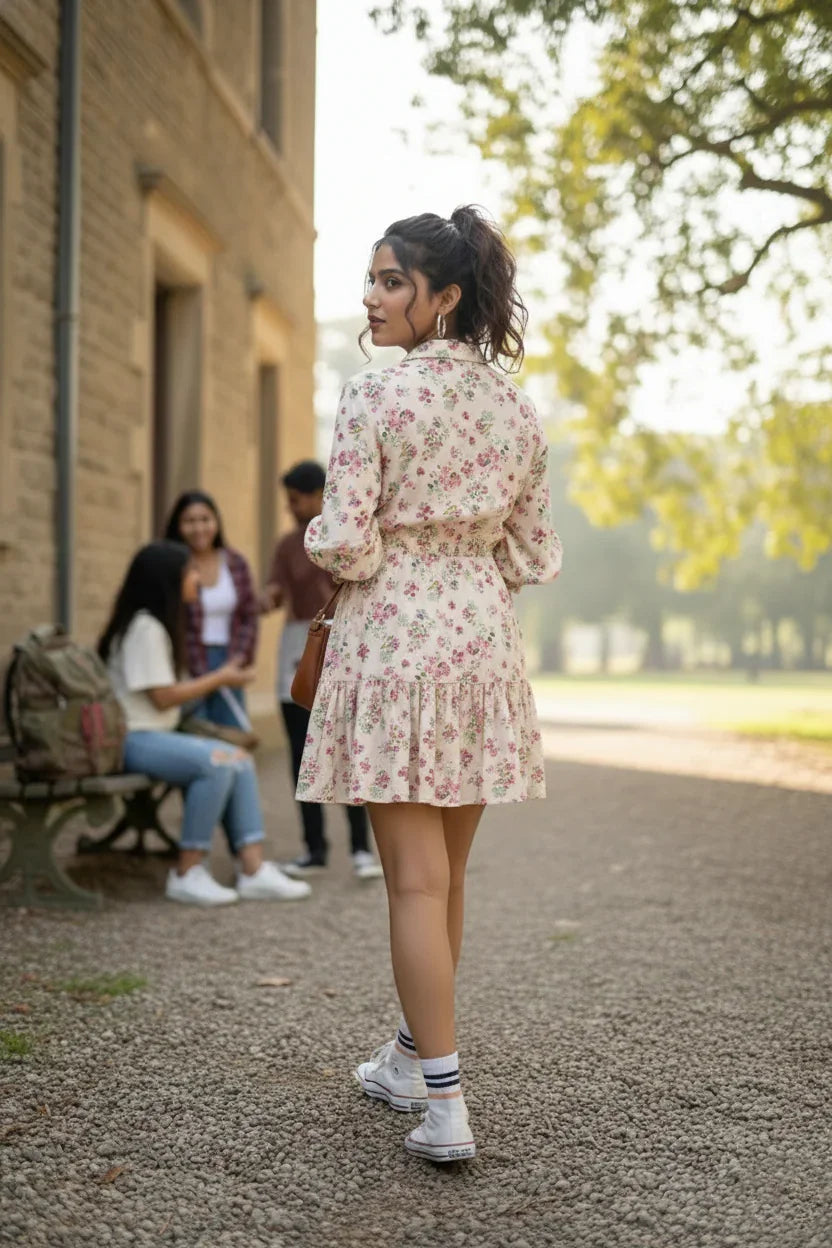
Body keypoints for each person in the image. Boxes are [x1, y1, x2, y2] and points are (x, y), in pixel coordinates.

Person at [297, 207, 562, 1162]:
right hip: (481, 645)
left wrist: (355, 545)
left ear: (443, 298)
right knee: (445, 875)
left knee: (412, 881)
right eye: (370, 279)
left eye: (391, 282)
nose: (370, 297)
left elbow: (345, 538)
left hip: (397, 641)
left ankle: (445, 1104)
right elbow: (532, 548)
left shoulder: (377, 397)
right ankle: (413, 1056)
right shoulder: (518, 410)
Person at [98, 541, 310, 905]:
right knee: (216, 762)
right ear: (168, 579)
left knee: (237, 758)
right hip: (134, 738)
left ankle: (253, 869)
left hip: (155, 734)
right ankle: (187, 871)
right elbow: (162, 697)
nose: (198, 578)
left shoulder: (157, 625)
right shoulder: (146, 627)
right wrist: (221, 678)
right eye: (190, 572)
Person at [261, 460, 383, 882]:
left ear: (317, 496)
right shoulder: (287, 545)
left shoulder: (348, 536)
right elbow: (275, 591)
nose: (291, 508)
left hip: (346, 644)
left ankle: (361, 850)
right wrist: (262, 598)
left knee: (350, 749)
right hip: (300, 646)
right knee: (300, 751)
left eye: (295, 500)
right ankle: (314, 850)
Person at [164, 491, 259, 732]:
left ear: (216, 522)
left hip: (228, 658)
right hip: (187, 660)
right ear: (178, 525)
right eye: (189, 521)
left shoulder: (235, 563)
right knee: (198, 732)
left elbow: (249, 614)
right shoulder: (172, 565)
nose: (198, 528)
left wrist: (239, 658)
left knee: (233, 734)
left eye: (205, 519)